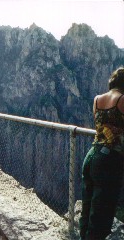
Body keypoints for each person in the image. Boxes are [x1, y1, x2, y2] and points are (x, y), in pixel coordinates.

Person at [79, 67, 124, 240]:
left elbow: (100, 128)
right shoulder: (122, 100)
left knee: (87, 208)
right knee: (102, 213)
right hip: (109, 161)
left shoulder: (97, 100)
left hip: (92, 155)